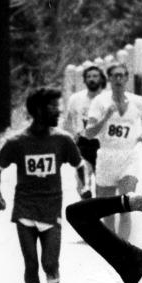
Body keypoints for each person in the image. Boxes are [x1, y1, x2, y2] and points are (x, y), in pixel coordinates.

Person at [0, 87, 86, 283]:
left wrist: (83, 187)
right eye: (53, 107)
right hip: (24, 208)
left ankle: (53, 270)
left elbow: (79, 165)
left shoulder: (62, 139)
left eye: (58, 107)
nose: (57, 111)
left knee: (49, 264)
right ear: (37, 110)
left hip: (51, 209)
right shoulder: (17, 142)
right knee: (30, 263)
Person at [84, 64, 142, 239]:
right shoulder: (100, 102)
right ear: (109, 79)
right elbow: (89, 132)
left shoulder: (138, 101)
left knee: (125, 205)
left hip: (128, 156)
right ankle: (112, 246)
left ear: (127, 78)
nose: (119, 79)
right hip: (106, 156)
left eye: (122, 76)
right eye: (115, 76)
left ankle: (124, 249)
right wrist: (105, 116)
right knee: (107, 209)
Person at [63, 65, 106, 197]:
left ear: (101, 79)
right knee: (83, 185)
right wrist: (71, 137)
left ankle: (101, 213)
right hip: (83, 144)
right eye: (88, 77)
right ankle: (86, 212)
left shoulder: (108, 99)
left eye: (95, 76)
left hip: (103, 145)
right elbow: (67, 121)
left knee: (103, 187)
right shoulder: (75, 99)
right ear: (84, 80)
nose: (92, 79)